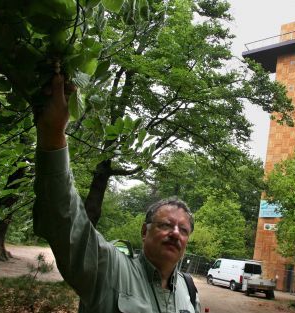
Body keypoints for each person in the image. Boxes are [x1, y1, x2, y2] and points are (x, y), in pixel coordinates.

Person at [33, 74, 200, 313]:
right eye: (166, 225)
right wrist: (52, 133)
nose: (175, 233)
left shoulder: (190, 291)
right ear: (145, 231)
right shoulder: (110, 269)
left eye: (183, 230)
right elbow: (67, 223)